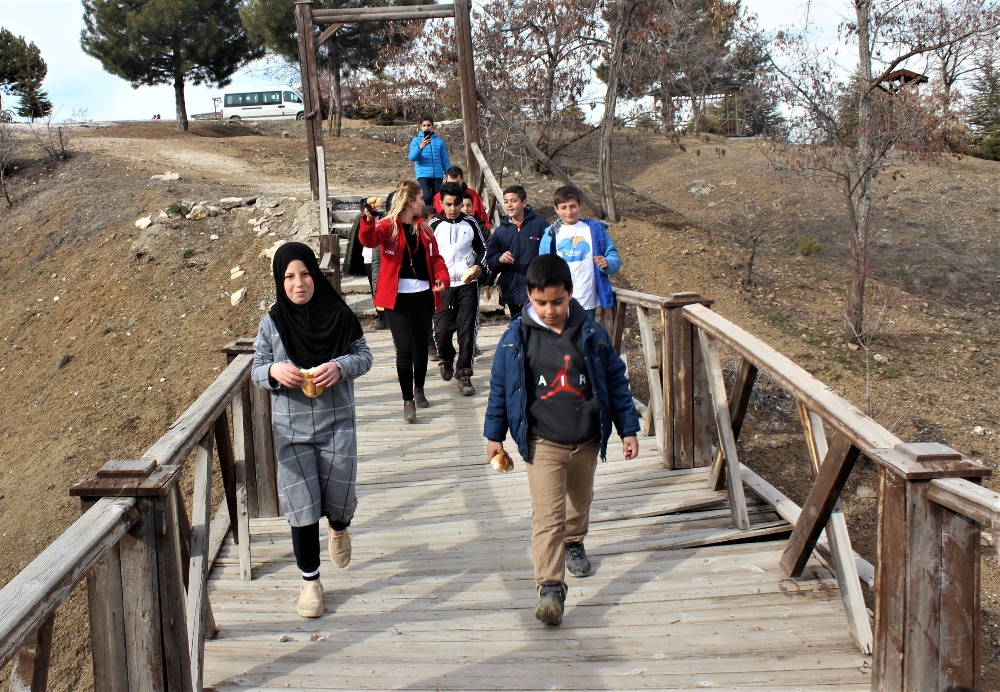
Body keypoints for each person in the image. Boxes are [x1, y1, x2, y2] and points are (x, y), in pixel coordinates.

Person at [484, 254, 640, 626]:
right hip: (543, 441)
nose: (550, 310)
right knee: (547, 515)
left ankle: (575, 540)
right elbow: (500, 388)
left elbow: (616, 383)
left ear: (570, 293)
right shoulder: (515, 339)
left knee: (579, 502)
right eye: (541, 303)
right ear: (528, 295)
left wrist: (628, 429)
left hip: (586, 438)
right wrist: (494, 435)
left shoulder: (592, 334)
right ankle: (550, 588)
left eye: (557, 301)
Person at [251, 243, 373, 618]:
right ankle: (310, 583)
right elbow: (256, 369)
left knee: (340, 498)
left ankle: (339, 527)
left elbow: (364, 356)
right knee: (301, 506)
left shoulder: (338, 314)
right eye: (289, 276)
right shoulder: (272, 323)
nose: (298, 283)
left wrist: (340, 366)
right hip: (291, 432)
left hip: (337, 424)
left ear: (315, 276)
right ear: (280, 280)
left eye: (305, 274)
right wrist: (273, 371)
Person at [359, 180, 449, 422]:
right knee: (404, 348)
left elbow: (437, 259)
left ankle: (419, 389)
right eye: (421, 199)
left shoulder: (425, 230)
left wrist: (442, 278)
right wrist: (367, 220)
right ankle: (407, 399)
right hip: (396, 298)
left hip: (423, 295)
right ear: (411, 201)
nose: (424, 203)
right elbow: (368, 240)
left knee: (420, 346)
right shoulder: (388, 226)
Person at [429, 182, 489, 396]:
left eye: (457, 204)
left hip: (467, 284)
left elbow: (484, 249)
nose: (453, 209)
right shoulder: (433, 225)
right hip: (443, 286)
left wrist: (479, 266)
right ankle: (446, 358)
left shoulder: (471, 223)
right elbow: (425, 254)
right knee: (441, 331)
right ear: (441, 203)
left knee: (467, 331)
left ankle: (464, 375)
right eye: (449, 204)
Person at [539, 185, 621, 321]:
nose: (569, 211)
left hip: (587, 298)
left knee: (586, 332)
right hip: (559, 299)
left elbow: (613, 256)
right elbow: (541, 265)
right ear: (556, 209)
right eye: (564, 207)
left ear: (580, 206)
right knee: (561, 333)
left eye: (573, 206)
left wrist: (607, 263)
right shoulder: (550, 234)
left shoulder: (596, 230)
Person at [485, 185, 548, 320]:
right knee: (517, 326)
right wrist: (500, 259)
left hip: (536, 288)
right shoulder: (501, 231)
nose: (509, 205)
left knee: (537, 325)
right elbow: (490, 259)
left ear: (524, 203)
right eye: (506, 201)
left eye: (514, 201)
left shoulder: (541, 226)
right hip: (511, 289)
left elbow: (551, 256)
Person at [408, 115, 450, 205]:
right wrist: (421, 147)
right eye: (424, 125)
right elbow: (411, 157)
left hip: (437, 175)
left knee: (438, 198)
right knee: (426, 197)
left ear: (433, 126)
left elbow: (445, 160)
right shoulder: (416, 141)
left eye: (429, 125)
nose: (426, 127)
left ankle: (436, 214)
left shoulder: (439, 142)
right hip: (423, 174)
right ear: (420, 127)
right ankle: (425, 213)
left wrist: (449, 174)